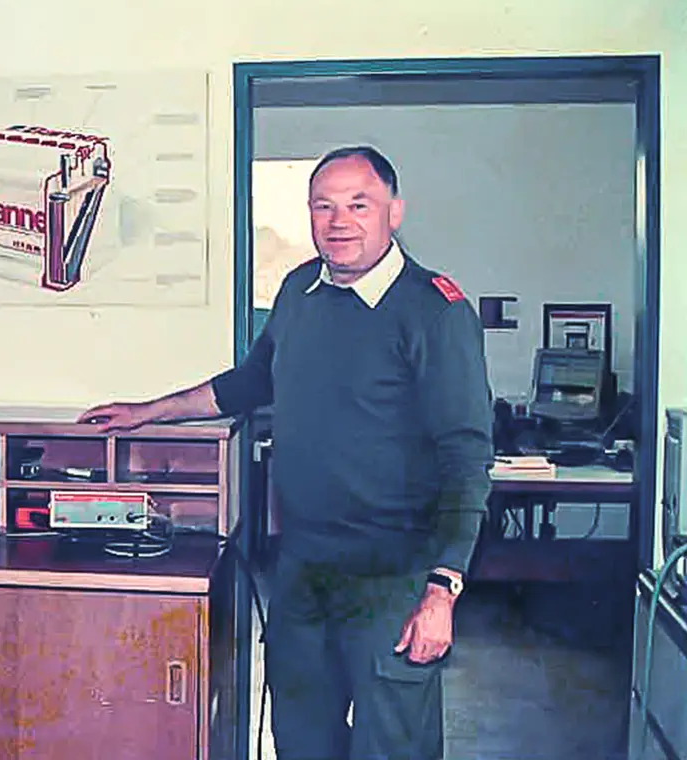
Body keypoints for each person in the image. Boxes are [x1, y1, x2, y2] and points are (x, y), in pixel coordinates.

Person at [79, 146, 493, 759]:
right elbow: (252, 381)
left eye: (359, 205)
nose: (339, 221)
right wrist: (149, 410)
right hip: (302, 567)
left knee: (393, 745)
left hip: (395, 575)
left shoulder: (435, 312)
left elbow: (466, 457)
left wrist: (441, 590)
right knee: (300, 738)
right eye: (323, 206)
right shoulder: (300, 289)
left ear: (395, 212)